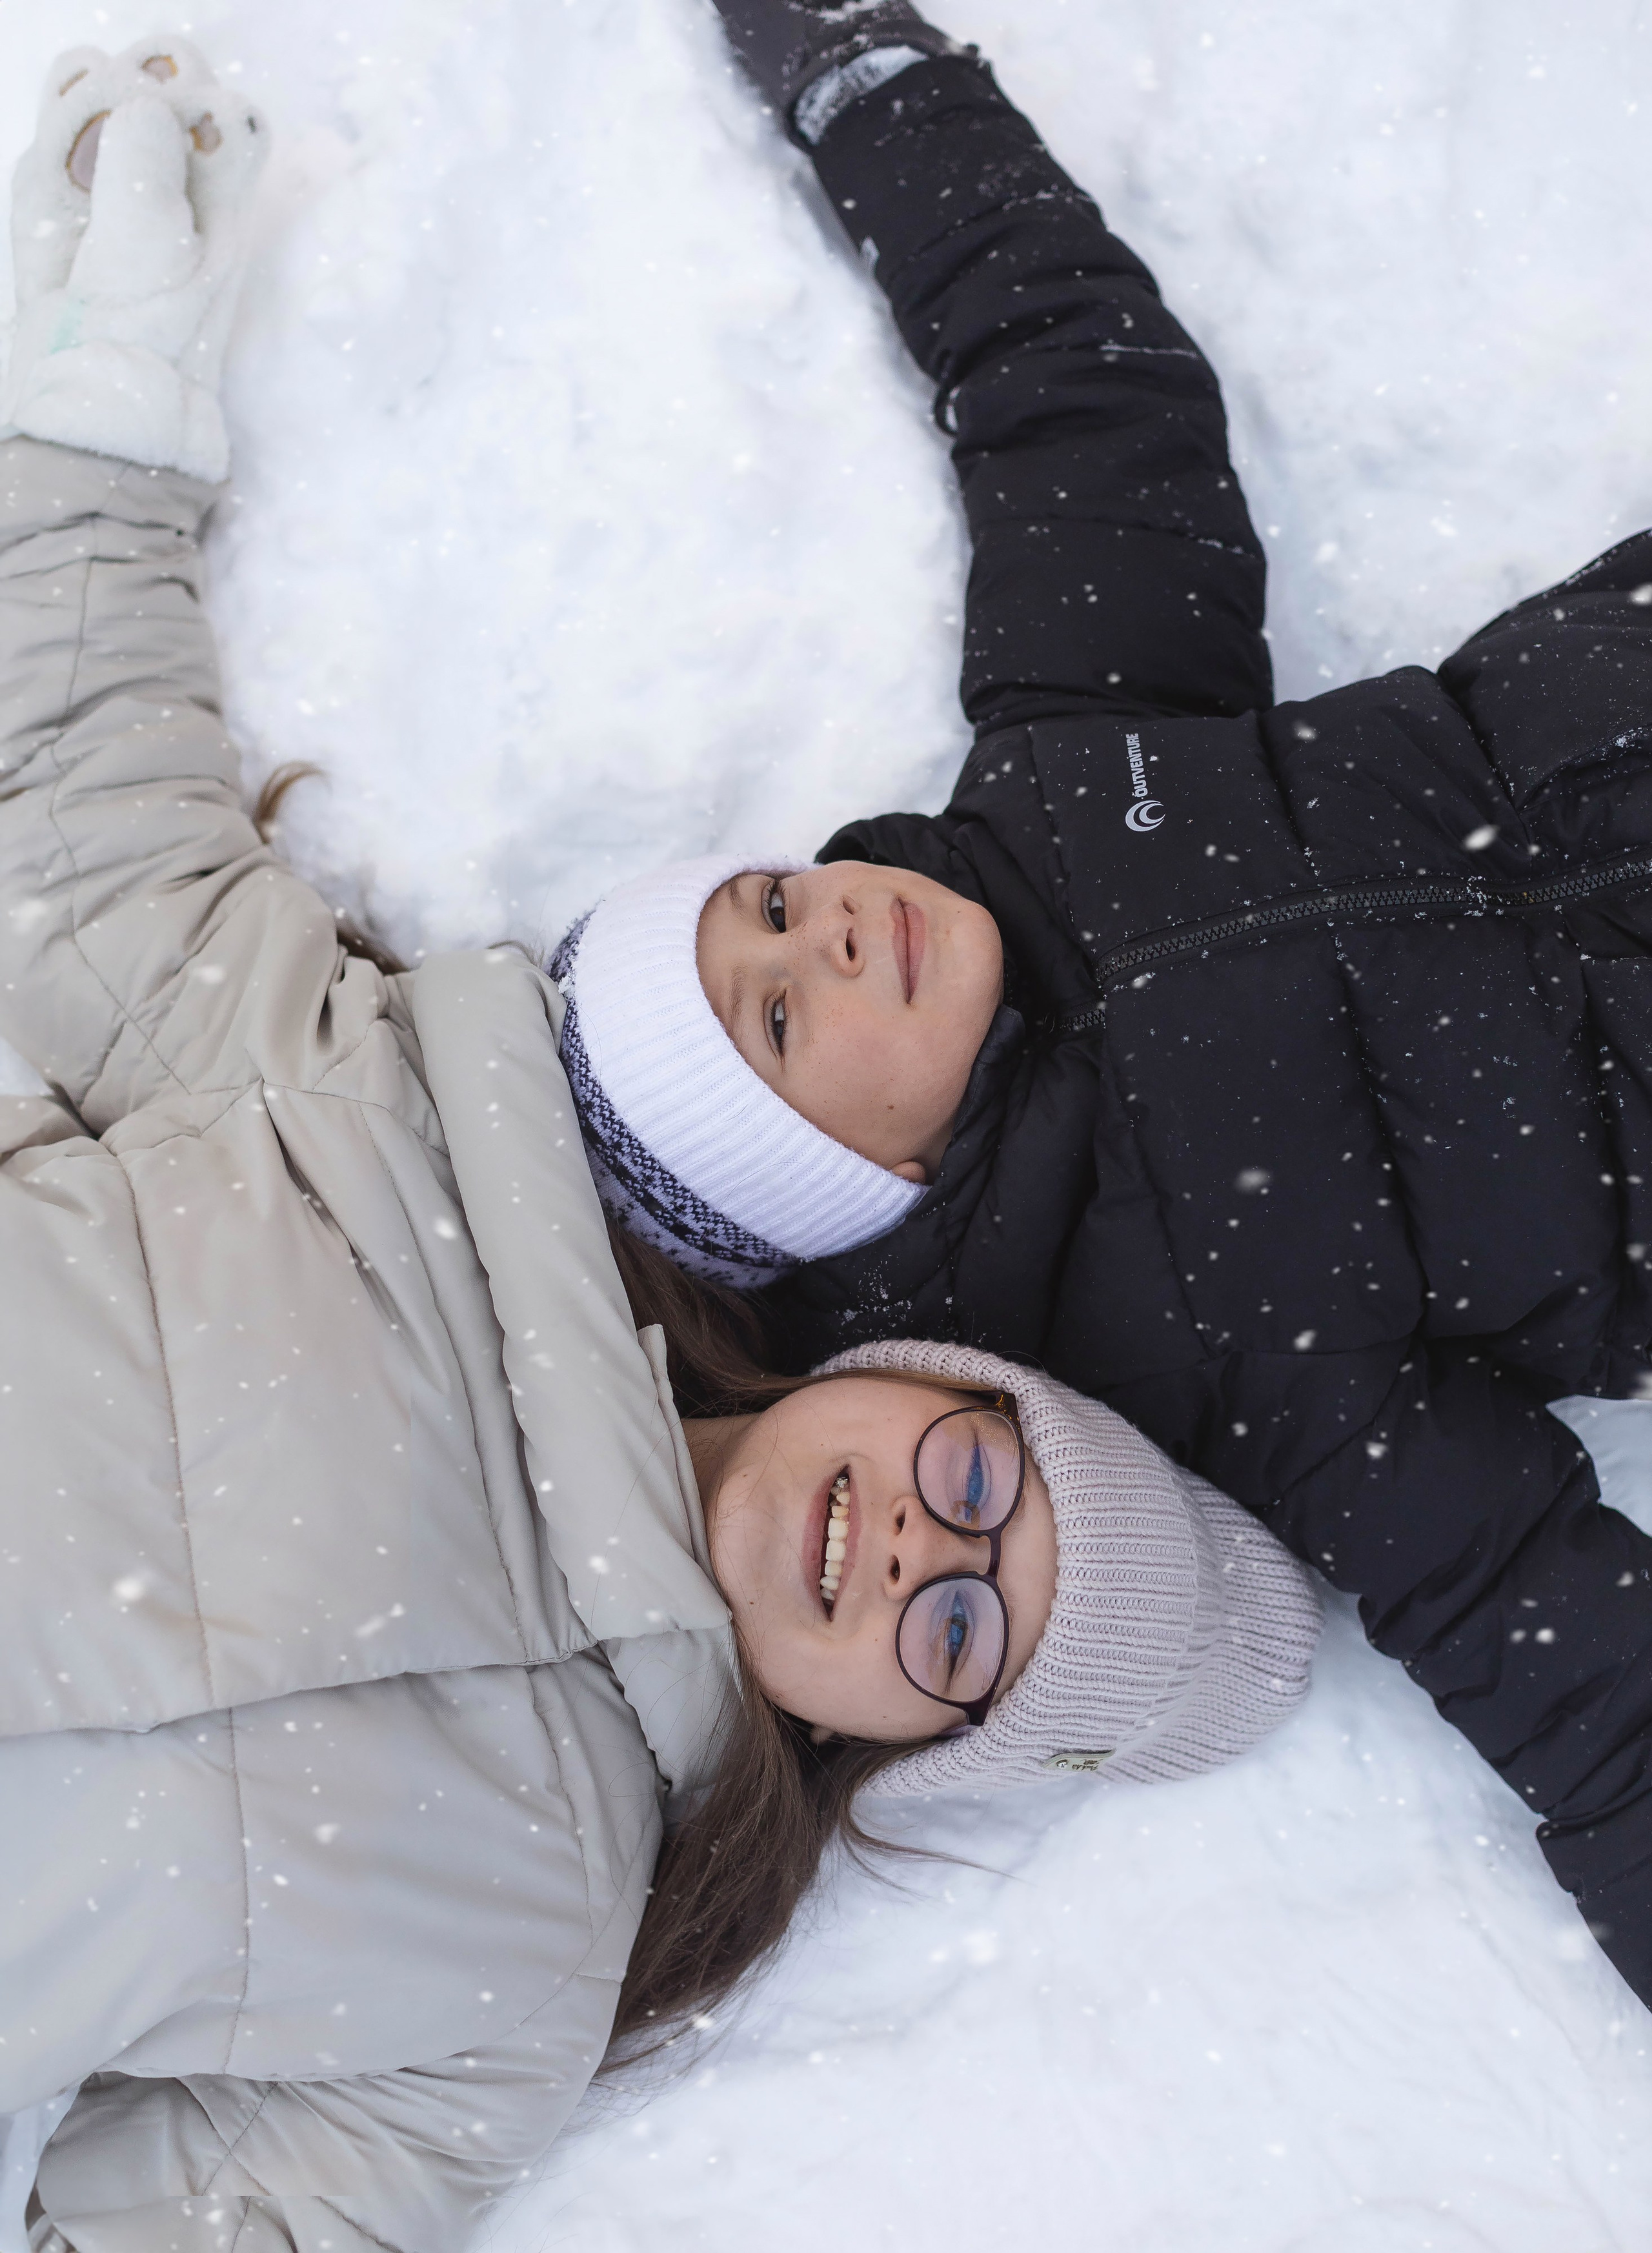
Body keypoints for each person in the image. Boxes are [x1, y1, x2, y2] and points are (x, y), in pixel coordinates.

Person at [0, 40, 1319, 2248]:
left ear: (907, 1744)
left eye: (969, 1627)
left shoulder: (516, 1985)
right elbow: (79, 821)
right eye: (983, 1478)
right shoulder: (409, 1131)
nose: (925, 1546)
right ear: (913, 1373)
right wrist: (109, 412)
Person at [552, 1, 1652, 2009]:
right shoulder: (1237, 1377)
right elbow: (1576, 1669)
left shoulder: (1066, 768)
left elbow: (1077, 393)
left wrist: (876, 85)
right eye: (782, 1030)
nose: (827, 940)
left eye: (768, 909)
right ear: (847, 1180)